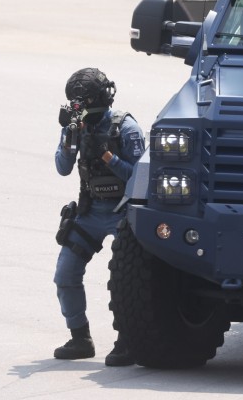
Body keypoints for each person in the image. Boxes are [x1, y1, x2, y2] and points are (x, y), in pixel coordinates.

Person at [53, 68, 145, 366]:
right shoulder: (77, 126)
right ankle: (80, 337)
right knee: (65, 274)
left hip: (123, 213)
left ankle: (128, 340)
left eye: (84, 101)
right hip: (90, 211)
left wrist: (108, 157)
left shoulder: (125, 127)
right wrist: (70, 136)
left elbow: (139, 178)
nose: (79, 109)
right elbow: (62, 168)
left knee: (125, 280)